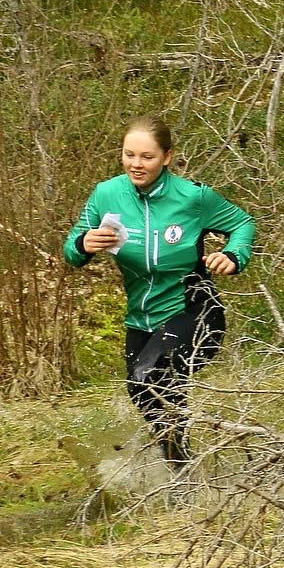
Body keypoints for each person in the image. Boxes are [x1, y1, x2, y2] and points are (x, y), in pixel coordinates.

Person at [64, 117, 254, 469]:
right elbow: (72, 250)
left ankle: (201, 462)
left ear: (167, 157)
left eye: (147, 157)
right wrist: (84, 243)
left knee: (150, 375)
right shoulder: (107, 194)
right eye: (129, 155)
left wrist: (233, 255)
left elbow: (242, 223)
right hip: (141, 317)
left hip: (193, 309)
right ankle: (182, 474)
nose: (136, 164)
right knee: (144, 390)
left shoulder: (193, 197)